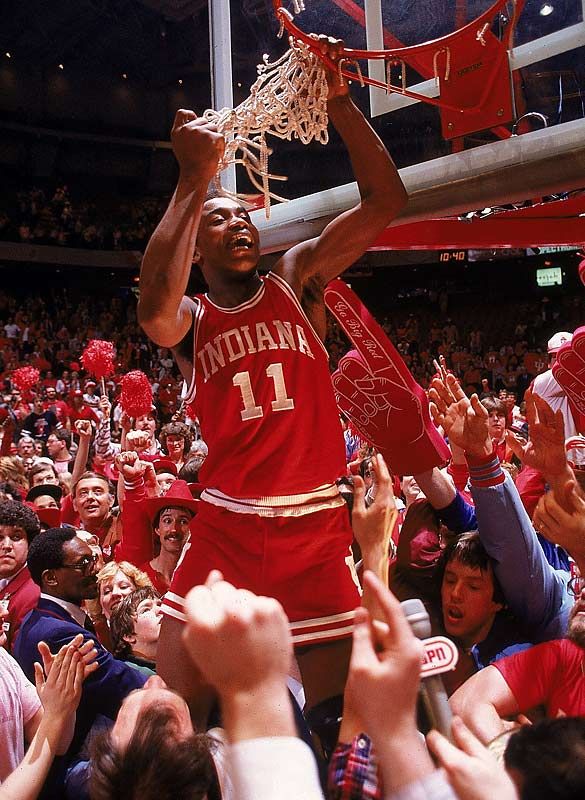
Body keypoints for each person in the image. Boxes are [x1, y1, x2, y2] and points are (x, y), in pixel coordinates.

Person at [138, 35, 408, 733]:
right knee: (169, 723)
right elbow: (153, 311)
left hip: (314, 527)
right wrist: (193, 179)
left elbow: (384, 200)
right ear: (196, 246)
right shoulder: (192, 319)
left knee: (335, 726)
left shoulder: (296, 280)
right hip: (226, 525)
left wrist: (342, 104)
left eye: (245, 217)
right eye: (220, 220)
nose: (239, 226)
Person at [13, 527, 147, 797]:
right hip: (67, 773)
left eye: (93, 559)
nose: (95, 570)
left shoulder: (47, 617)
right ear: (51, 578)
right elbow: (123, 686)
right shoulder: (59, 634)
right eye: (83, 564)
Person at [450, 569, 585, 743]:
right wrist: (516, 757)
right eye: (582, 582)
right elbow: (465, 705)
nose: (583, 592)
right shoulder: (565, 655)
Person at [0, 500, 41, 651]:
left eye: (16, 537)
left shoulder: (34, 592)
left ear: (30, 543)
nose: (6, 545)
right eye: (0, 538)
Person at [109, 587, 161, 675]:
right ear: (128, 635)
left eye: (160, 605)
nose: (161, 610)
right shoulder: (127, 676)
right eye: (146, 610)